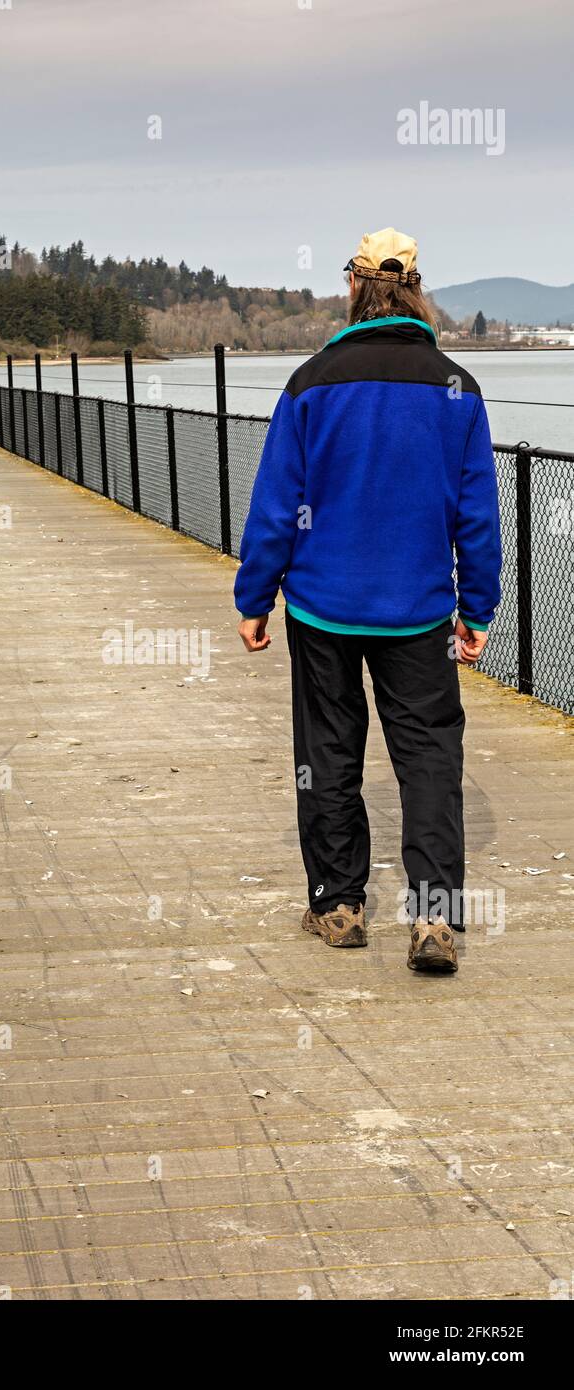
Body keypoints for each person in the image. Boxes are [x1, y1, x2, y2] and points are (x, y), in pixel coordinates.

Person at [234, 228, 501, 974]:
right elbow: (476, 517)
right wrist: (476, 610)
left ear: (354, 287)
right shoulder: (457, 389)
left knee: (327, 753)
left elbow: (276, 504)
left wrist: (256, 596)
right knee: (429, 757)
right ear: (416, 289)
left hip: (322, 606)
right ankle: (435, 919)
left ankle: (340, 905)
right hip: (417, 611)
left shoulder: (311, 383)